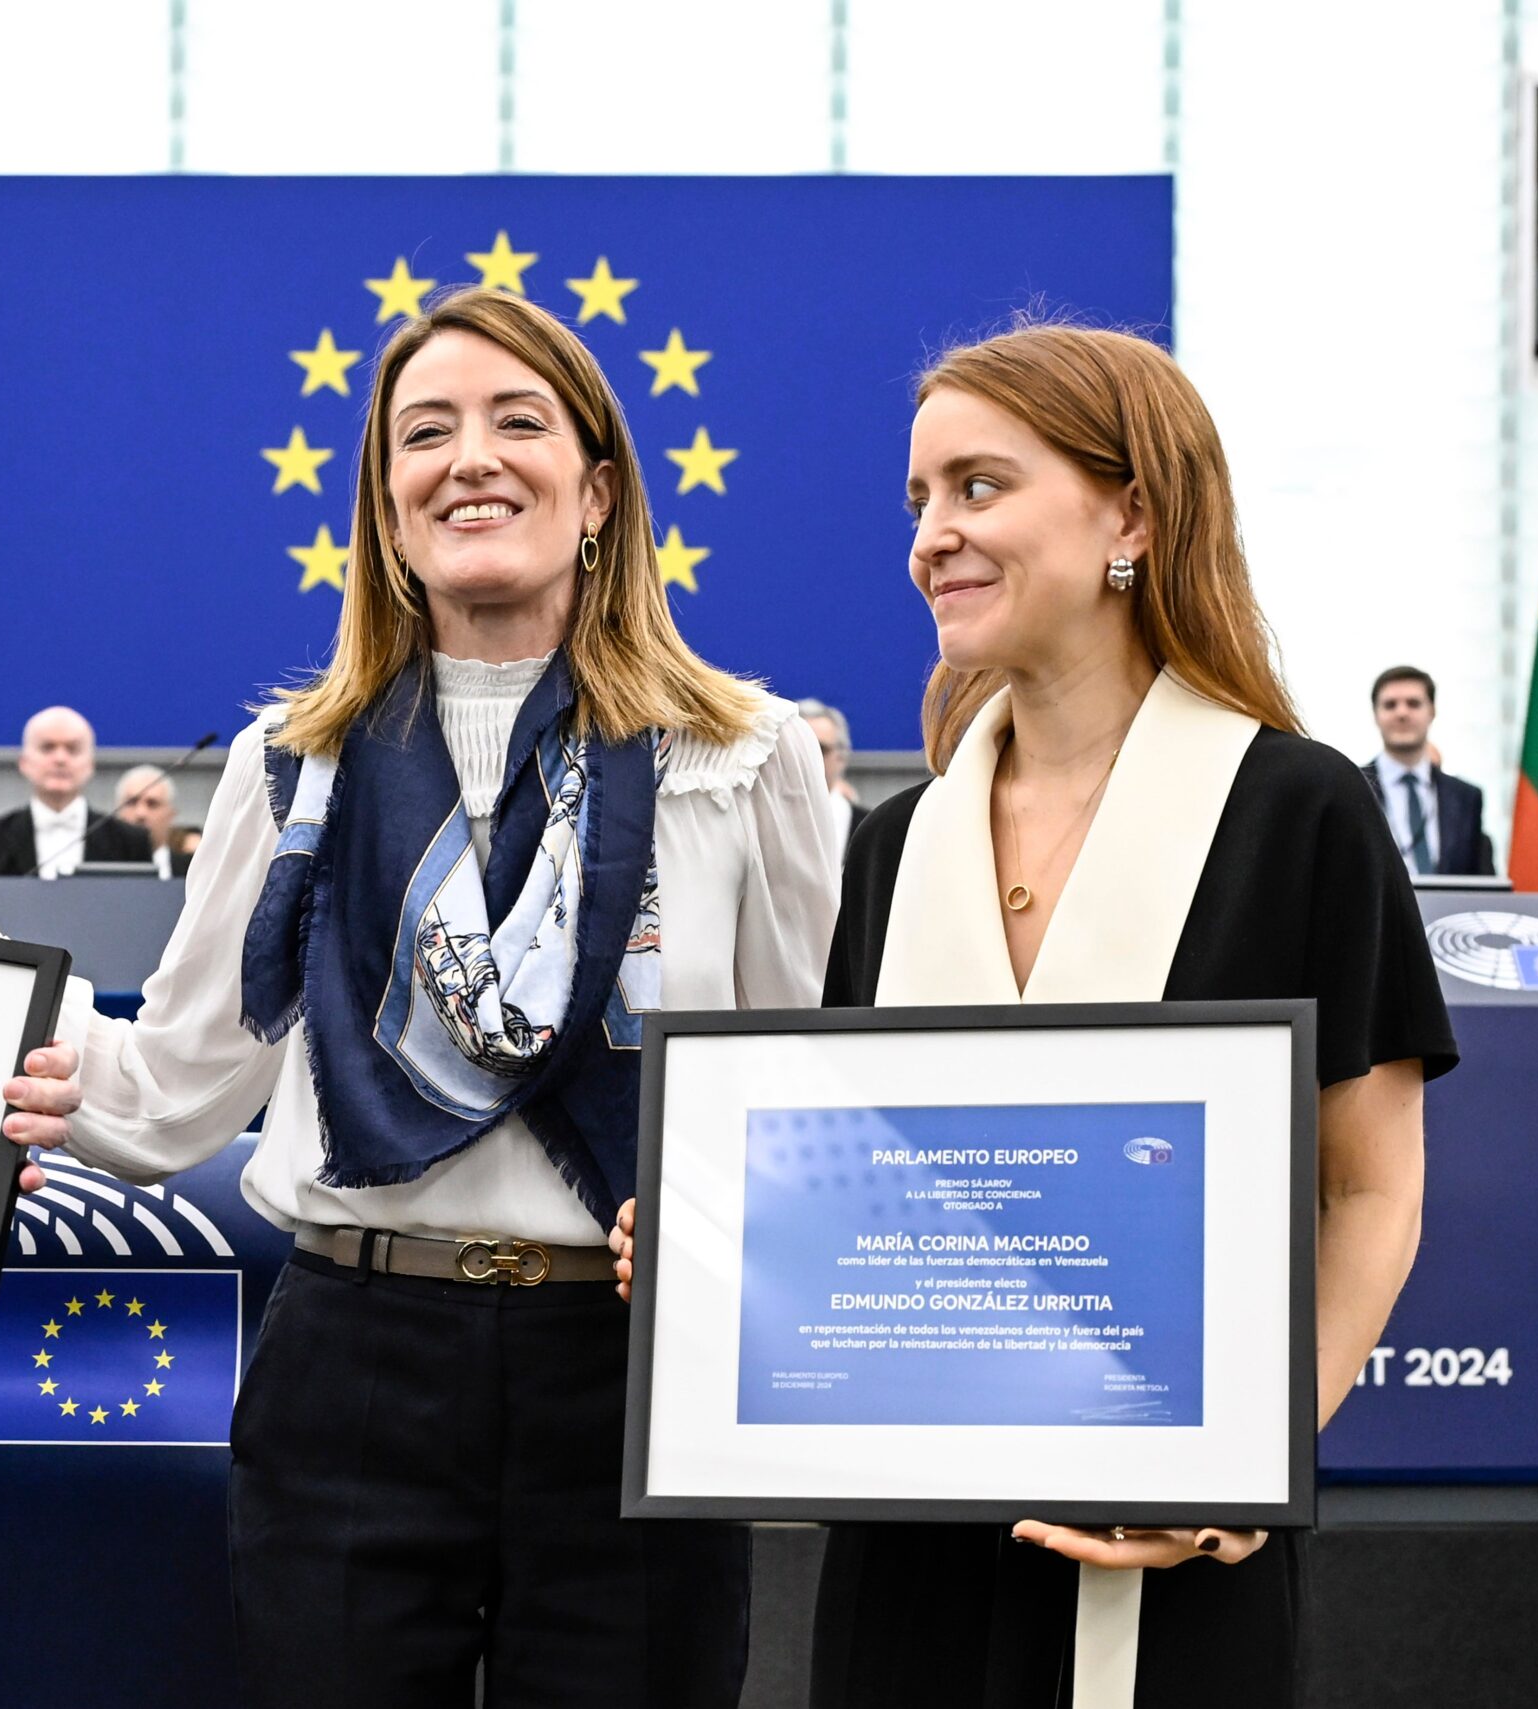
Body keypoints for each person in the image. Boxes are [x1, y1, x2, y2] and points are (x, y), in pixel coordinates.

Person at [0, 285, 840, 1706]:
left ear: (600, 491)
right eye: (425, 433)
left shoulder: (741, 758)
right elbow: (162, 1093)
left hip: (636, 1372)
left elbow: (806, 1093)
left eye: (521, 422)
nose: (472, 458)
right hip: (357, 1366)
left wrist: (734, 1223)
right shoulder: (291, 765)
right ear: (388, 511)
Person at [622, 323, 1452, 1707]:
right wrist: (723, 1255)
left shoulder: (1301, 812)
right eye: (918, 501)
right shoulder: (892, 847)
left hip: (1177, 1564)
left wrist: (1241, 1464)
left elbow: (1369, 1193)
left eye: (978, 486)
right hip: (908, 1573)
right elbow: (864, 1201)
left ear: (1130, 509)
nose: (931, 536)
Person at [0, 704, 154, 876]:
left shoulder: (130, 840)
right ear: (24, 762)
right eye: (47, 748)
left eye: (73, 749)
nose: (60, 759)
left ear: (91, 764)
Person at [1363, 665, 1494, 876]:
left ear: (1432, 711)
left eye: (1413, 703)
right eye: (1390, 705)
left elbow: (1481, 882)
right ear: (1376, 714)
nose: (1402, 713)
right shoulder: (1354, 787)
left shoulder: (1466, 797)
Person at [794, 696, 862, 856]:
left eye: (819, 749)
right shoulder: (761, 823)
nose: (808, 758)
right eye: (797, 749)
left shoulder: (870, 825)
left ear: (842, 756)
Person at [112, 760, 201, 877]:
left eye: (152, 804)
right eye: (132, 802)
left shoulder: (192, 871)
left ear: (171, 814)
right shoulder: (96, 866)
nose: (141, 813)